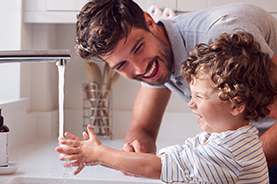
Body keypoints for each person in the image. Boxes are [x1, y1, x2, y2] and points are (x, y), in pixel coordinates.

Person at [74, 0, 277, 180]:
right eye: (121, 66)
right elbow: (142, 128)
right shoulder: (155, 60)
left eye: (138, 48)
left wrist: (234, 163)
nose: (139, 68)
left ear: (149, 21)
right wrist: (134, 152)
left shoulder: (223, 40)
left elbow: (176, 167)